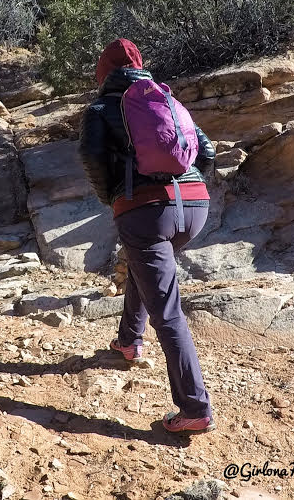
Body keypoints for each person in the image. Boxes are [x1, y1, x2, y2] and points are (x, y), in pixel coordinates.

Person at [78, 38, 217, 435]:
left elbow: (90, 156)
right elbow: (204, 151)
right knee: (145, 267)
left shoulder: (102, 108)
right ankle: (128, 341)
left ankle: (195, 408)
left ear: (104, 73)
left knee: (168, 311)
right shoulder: (166, 100)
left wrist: (114, 196)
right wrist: (188, 188)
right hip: (194, 207)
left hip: (145, 211)